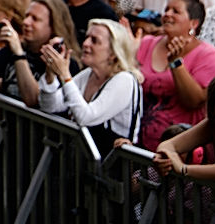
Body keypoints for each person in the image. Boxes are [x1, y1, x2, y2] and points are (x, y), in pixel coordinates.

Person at [138, 0, 215, 151]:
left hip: (182, 152)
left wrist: (176, 64)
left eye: (176, 11)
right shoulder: (146, 43)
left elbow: (193, 101)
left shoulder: (208, 56)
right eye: (166, 9)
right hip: (140, 146)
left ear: (194, 23)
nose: (167, 14)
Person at [38, 19, 144, 154]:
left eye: (94, 40)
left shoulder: (125, 80)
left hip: (113, 166)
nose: (85, 43)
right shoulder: (89, 74)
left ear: (113, 53)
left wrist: (64, 75)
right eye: (86, 37)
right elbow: (49, 106)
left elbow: (86, 117)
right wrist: (50, 74)